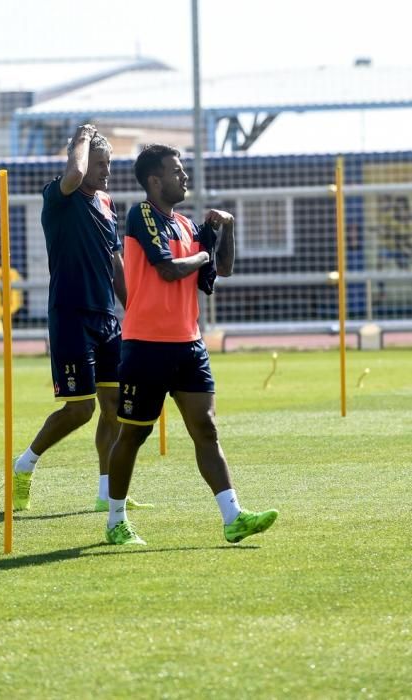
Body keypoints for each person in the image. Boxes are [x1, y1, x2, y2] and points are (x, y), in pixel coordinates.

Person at [105, 144, 278, 545]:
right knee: (132, 435)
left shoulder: (186, 225)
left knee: (207, 428)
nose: (184, 177)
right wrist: (204, 252)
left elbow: (222, 270)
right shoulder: (142, 214)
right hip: (145, 345)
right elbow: (166, 269)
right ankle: (115, 520)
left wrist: (226, 231)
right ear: (154, 180)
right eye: (176, 171)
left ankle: (233, 516)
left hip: (188, 345)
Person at [13, 124, 152, 514]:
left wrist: (135, 307)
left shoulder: (106, 204)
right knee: (81, 409)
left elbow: (116, 261)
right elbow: (74, 174)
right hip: (70, 315)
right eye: (100, 164)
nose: (106, 172)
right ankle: (24, 464)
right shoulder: (59, 194)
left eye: (109, 164)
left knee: (113, 408)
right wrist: (81, 138)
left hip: (106, 317)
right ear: (82, 159)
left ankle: (106, 493)